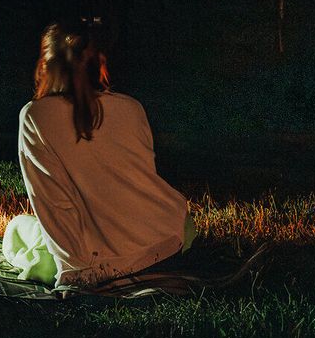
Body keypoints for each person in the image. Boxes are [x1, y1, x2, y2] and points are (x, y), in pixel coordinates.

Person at [14, 21, 194, 289]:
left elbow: (53, 202)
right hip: (169, 237)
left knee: (17, 228)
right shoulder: (132, 108)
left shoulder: (35, 116)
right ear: (99, 63)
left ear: (46, 66)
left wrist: (73, 272)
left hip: (101, 258)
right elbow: (139, 181)